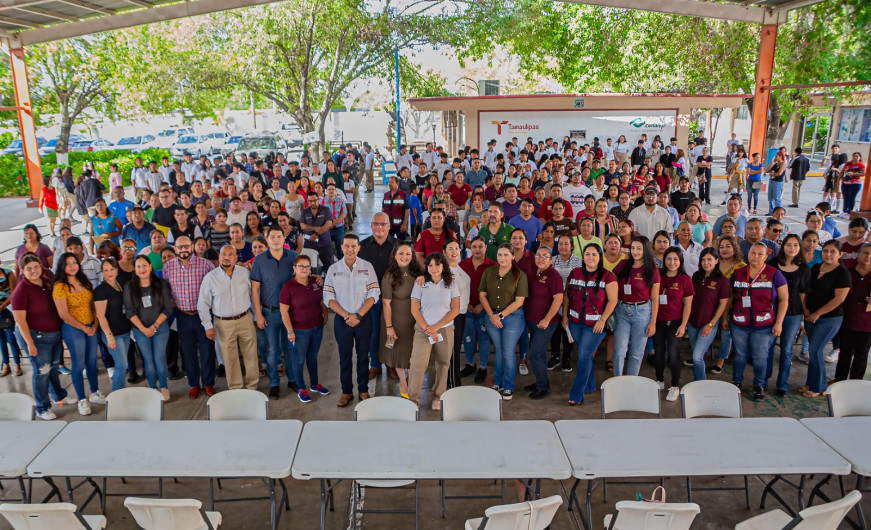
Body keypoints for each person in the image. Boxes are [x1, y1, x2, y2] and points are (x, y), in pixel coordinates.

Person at [11, 254, 76, 420]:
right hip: (36, 338)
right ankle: (41, 407)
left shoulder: (46, 282)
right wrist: (30, 343)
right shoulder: (21, 291)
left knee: (53, 368)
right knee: (41, 372)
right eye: (28, 269)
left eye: (35, 267)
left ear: (41, 266)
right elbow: (19, 320)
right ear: (22, 270)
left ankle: (59, 395)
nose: (33, 271)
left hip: (53, 334)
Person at [323, 234, 380, 407]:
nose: (350, 249)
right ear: (341, 247)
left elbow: (374, 293)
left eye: (354, 246)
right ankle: (346, 392)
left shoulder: (367, 267)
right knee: (344, 358)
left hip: (363, 319)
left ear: (358, 248)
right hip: (343, 321)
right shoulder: (333, 269)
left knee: (363, 357)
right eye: (347, 246)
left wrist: (359, 315)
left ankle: (363, 390)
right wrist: (347, 316)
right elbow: (328, 297)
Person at [728, 243, 789, 401]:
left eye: (760, 254)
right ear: (748, 254)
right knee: (740, 355)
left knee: (760, 357)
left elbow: (784, 300)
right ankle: (736, 382)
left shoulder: (775, 274)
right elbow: (729, 298)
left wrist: (779, 323)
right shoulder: (738, 273)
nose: (755, 257)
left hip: (764, 325)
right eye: (753, 253)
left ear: (766, 256)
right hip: (739, 323)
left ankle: (759, 385)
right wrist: (724, 318)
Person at [162, 236, 217, 399]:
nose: (183, 249)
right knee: (188, 351)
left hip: (203, 315)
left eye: (186, 246)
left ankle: (208, 383)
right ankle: (193, 384)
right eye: (180, 247)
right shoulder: (168, 267)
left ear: (192, 247)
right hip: (183, 315)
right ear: (175, 249)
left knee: (207, 350)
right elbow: (167, 290)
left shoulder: (205, 264)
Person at [197, 245, 259, 391]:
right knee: (230, 358)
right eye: (224, 254)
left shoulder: (244, 273)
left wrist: (256, 316)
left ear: (236, 257)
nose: (227, 257)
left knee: (251, 354)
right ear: (219, 257)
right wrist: (208, 326)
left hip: (245, 319)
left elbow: (253, 296)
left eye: (231, 254)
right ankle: (236, 388)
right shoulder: (210, 277)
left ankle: (252, 387)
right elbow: (203, 303)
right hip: (223, 323)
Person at [563, 243, 617, 405]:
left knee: (584, 355)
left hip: (596, 326)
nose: (590, 257)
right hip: (574, 323)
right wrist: (564, 315)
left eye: (594, 254)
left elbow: (613, 301)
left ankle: (576, 394)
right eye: (587, 254)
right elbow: (567, 295)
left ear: (600, 257)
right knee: (585, 354)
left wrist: (602, 320)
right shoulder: (575, 273)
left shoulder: (608, 276)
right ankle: (590, 384)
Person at [53, 252, 104, 416]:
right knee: (79, 363)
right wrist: (83, 327)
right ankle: (82, 400)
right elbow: (63, 314)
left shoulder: (84, 281)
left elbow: (92, 304)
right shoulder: (60, 286)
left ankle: (95, 393)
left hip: (91, 325)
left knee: (91, 361)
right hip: (73, 328)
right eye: (68, 263)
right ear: (62, 266)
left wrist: (95, 323)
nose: (72, 265)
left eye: (74, 262)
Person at [408, 252, 460, 409]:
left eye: (437, 264)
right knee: (418, 363)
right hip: (423, 330)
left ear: (443, 265)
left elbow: (455, 309)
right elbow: (414, 310)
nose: (434, 268)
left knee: (443, 362)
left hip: (444, 329)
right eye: (430, 265)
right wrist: (427, 329)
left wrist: (436, 328)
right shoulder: (420, 283)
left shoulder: (451, 284)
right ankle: (413, 400)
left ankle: (438, 396)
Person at [801, 240, 850, 397]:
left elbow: (839, 299)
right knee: (813, 351)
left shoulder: (843, 273)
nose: (828, 254)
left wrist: (818, 314)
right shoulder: (816, 268)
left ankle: (819, 386)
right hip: (810, 316)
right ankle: (811, 382)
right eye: (825, 251)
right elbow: (807, 290)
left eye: (832, 252)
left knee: (815, 350)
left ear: (840, 254)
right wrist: (806, 310)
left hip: (829, 319)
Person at [479, 244, 528, 400]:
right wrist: (491, 315)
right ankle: (498, 383)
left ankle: (508, 386)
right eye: (500, 255)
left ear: (513, 256)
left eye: (506, 255)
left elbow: (519, 301)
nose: (502, 258)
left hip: (512, 318)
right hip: (491, 316)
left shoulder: (520, 275)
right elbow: (482, 296)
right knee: (499, 351)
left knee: (507, 352)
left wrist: (499, 316)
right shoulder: (489, 272)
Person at [279, 254, 330, 403]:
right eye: (301, 266)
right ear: (294, 268)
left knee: (313, 357)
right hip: (299, 331)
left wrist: (325, 313)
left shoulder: (315, 281)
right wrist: (290, 331)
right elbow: (284, 312)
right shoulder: (288, 287)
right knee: (299, 359)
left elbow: (320, 300)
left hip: (316, 328)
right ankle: (301, 387)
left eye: (307, 266)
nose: (304, 269)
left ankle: (314, 384)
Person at [764, 234, 809, 396]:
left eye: (796, 245)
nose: (792, 248)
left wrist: (804, 312)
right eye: (789, 245)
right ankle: (763, 380)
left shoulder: (804, 268)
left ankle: (782, 383)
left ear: (799, 248)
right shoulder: (772, 264)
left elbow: (803, 293)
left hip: (793, 313)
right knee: (767, 347)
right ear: (783, 247)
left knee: (787, 349)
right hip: (771, 311)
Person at [125, 255, 174, 402]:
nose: (142, 269)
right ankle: (153, 387)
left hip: (160, 328)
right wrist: (144, 329)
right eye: (138, 266)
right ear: (135, 269)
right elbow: (129, 312)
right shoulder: (129, 287)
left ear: (150, 266)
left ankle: (164, 387)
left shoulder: (160, 284)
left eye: (144, 265)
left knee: (159, 358)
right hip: (140, 330)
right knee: (148, 360)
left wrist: (154, 326)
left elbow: (167, 309)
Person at [381, 242, 423, 399]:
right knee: (399, 353)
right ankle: (403, 382)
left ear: (412, 256)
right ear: (395, 256)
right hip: (396, 319)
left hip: (416, 320)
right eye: (401, 254)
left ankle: (412, 381)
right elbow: (386, 303)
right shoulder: (389, 275)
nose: (404, 257)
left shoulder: (419, 271)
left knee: (413, 352)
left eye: (407, 254)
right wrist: (389, 326)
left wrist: (424, 276)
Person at [358, 212, 397, 379]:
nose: (379, 227)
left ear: (389, 225)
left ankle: (390, 364)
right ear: (371, 226)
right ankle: (374, 365)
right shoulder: (362, 246)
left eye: (383, 224)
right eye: (376, 224)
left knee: (391, 333)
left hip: (393, 299)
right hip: (370, 299)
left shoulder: (397, 246)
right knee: (373, 333)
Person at [614, 236, 660, 376]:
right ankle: (618, 380)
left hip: (642, 312)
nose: (635, 251)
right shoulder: (622, 264)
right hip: (622, 311)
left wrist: (653, 322)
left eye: (639, 248)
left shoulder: (652, 270)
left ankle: (631, 381)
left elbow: (655, 298)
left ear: (645, 250)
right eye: (633, 248)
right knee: (619, 351)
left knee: (636, 353)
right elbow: (611, 284)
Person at [522, 245, 564, 400]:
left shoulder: (554, 276)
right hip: (532, 321)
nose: (541, 259)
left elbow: (558, 299)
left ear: (551, 259)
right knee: (537, 353)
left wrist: (546, 319)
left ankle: (543, 386)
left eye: (545, 256)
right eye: (538, 255)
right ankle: (540, 381)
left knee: (535, 353)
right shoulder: (532, 273)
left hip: (546, 323)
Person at [654, 247, 694, 401]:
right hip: (658, 321)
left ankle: (675, 386)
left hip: (676, 322)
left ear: (680, 261)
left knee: (673, 353)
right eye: (669, 259)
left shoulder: (685, 279)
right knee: (658, 353)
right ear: (664, 260)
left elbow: (688, 304)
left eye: (675, 259)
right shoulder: (659, 276)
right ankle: (659, 380)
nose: (672, 262)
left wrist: (683, 325)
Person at [685, 248, 730, 381]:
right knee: (696, 354)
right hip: (693, 322)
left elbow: (723, 304)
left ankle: (701, 382)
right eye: (703, 260)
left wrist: (711, 324)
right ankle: (698, 380)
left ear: (716, 260)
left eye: (709, 259)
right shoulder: (696, 276)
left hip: (708, 323)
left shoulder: (722, 280)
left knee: (697, 356)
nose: (706, 263)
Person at [459, 237, 496, 383]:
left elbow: (495, 290)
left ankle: (483, 367)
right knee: (467, 339)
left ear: (486, 247)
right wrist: (464, 303)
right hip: (466, 309)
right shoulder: (462, 265)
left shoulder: (493, 266)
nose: (477, 249)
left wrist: (483, 305)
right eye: (474, 246)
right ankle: (470, 364)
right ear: (470, 248)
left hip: (483, 310)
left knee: (483, 339)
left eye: (481, 246)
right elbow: (456, 287)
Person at [93, 258, 132, 392]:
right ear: (102, 272)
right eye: (106, 270)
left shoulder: (120, 284)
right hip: (112, 333)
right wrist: (109, 336)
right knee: (122, 365)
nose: (109, 273)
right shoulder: (100, 290)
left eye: (112, 269)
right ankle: (115, 395)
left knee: (123, 365)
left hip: (125, 331)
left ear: (117, 270)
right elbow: (100, 315)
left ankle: (122, 391)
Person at [837, 243, 871, 381]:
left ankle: (855, 384)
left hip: (868, 323)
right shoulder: (848, 272)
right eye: (865, 253)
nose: (868, 256)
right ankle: (839, 381)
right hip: (847, 319)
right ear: (858, 255)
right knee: (844, 353)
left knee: (861, 356)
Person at [444, 239, 471, 389]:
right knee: (452, 351)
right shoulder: (445, 271)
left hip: (461, 314)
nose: (454, 251)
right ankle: (454, 383)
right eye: (450, 249)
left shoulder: (459, 268)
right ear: (444, 252)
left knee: (455, 349)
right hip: (452, 315)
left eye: (456, 248)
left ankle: (454, 379)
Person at [300, 190, 335, 268]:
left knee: (329, 266)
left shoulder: (326, 210)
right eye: (310, 201)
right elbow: (302, 226)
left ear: (318, 199)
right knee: (308, 266)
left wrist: (316, 234)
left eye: (315, 200)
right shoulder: (304, 212)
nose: (313, 203)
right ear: (307, 201)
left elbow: (328, 224)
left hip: (324, 243)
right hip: (310, 243)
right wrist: (316, 228)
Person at [840, 152, 866, 218]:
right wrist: (840, 178)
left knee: (851, 197)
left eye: (857, 156)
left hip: (855, 183)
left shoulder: (861, 165)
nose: (855, 158)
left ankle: (849, 212)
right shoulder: (848, 164)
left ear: (860, 157)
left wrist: (854, 174)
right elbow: (843, 171)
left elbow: (863, 174)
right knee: (845, 197)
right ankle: (844, 211)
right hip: (845, 182)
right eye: (854, 156)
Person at [765, 152, 787, 216]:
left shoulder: (783, 164)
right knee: (771, 198)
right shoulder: (775, 164)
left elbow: (780, 173)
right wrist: (772, 163)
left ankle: (779, 211)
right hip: (772, 181)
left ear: (780, 156)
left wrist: (772, 174)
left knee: (777, 198)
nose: (775, 157)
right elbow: (767, 170)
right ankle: (771, 211)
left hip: (778, 182)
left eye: (777, 156)